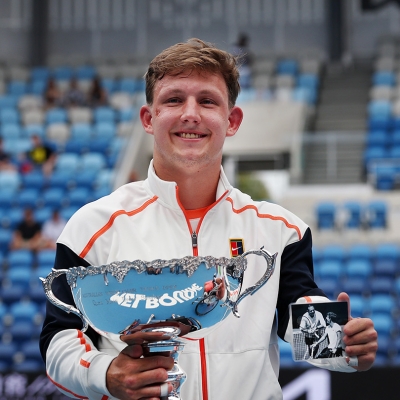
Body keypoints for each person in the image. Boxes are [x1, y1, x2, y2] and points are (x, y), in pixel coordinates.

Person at [39, 38, 377, 400]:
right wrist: (106, 374)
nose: (191, 114)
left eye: (207, 101)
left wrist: (345, 345)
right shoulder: (93, 227)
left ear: (232, 121)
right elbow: (60, 338)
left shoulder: (280, 230)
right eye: (174, 99)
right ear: (149, 119)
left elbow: (300, 318)